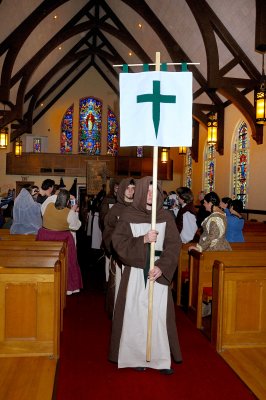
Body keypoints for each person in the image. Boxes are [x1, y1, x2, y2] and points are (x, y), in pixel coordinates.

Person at [109, 176, 182, 374]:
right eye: (147, 191)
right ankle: (136, 357)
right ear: (140, 192)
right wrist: (142, 239)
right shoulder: (127, 214)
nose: (151, 195)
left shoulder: (166, 216)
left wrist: (162, 267)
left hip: (157, 272)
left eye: (154, 192)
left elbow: (174, 245)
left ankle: (159, 358)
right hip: (134, 272)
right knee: (135, 313)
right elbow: (118, 243)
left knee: (157, 314)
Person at [37, 189, 83, 295]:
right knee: (69, 261)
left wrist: (59, 194)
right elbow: (76, 226)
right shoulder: (69, 213)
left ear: (56, 198)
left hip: (45, 237)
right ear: (67, 202)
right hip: (62, 240)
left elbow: (49, 200)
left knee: (45, 261)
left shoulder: (48, 205)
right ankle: (68, 287)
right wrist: (74, 211)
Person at [102, 178, 135, 319]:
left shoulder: (139, 207)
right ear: (121, 190)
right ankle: (118, 314)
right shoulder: (115, 209)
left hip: (136, 255)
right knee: (119, 287)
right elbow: (108, 231)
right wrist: (116, 248)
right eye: (128, 188)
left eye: (133, 188)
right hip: (120, 254)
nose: (131, 191)